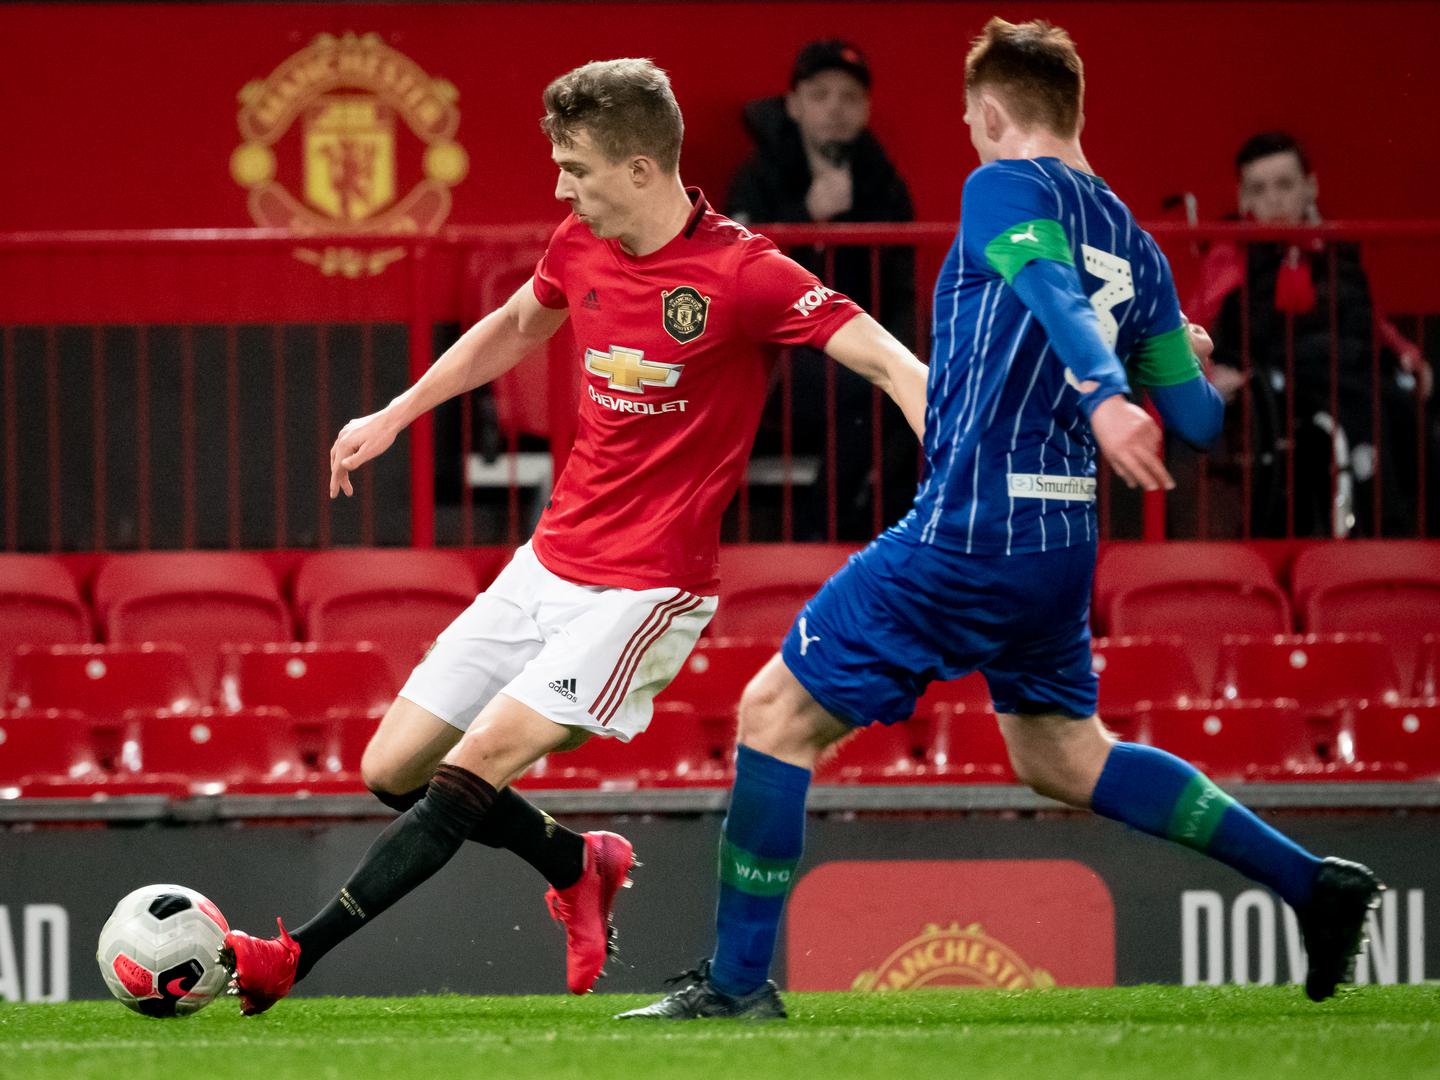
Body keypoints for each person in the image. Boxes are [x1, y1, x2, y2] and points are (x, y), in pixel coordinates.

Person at [620, 19, 1382, 1022]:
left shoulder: (1002, 187)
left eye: (973, 124)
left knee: (772, 716)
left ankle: (735, 986)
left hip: (974, 531)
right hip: (1062, 546)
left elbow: (1046, 284)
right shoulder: (1139, 246)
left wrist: (1107, 389)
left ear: (992, 117)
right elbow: (1200, 419)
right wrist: (1171, 356)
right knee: (1060, 756)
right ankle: (1311, 884)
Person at [218, 58, 929, 1015]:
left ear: (641, 169)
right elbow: (516, 324)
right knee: (392, 769)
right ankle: (576, 860)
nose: (562, 188)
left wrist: (956, 467)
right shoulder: (580, 242)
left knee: (472, 767)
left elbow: (888, 361)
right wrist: (398, 411)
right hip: (549, 562)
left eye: (577, 169)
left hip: (649, 589)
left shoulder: (744, 273)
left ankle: (294, 957)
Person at [1187, 131, 1431, 537]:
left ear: (1310, 187)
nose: (1274, 200)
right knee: (1358, 409)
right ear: (1243, 197)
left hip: (1357, 372)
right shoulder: (1230, 257)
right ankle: (1383, 531)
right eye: (1259, 189)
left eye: (1285, 185)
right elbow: (1194, 325)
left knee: (1410, 409)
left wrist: (1407, 354)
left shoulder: (1340, 251)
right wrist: (1211, 375)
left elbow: (1373, 321)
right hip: (1287, 384)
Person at [727, 39, 919, 539]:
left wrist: (904, 361)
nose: (835, 108)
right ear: (794, 105)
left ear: (866, 109)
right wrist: (806, 220)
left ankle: (867, 539)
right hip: (776, 362)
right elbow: (734, 277)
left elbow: (900, 292)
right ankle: (824, 537)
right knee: (870, 389)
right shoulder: (757, 178)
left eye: (850, 97)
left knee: (910, 388)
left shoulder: (885, 184)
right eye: (820, 95)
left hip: (858, 351)